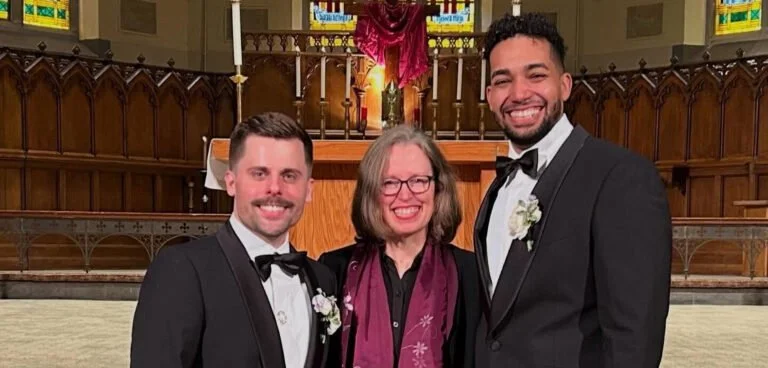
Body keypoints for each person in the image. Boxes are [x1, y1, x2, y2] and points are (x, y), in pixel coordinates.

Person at [474, 13, 672, 367]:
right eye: (503, 81)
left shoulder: (620, 177)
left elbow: (635, 339)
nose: (519, 94)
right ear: (489, 96)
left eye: (536, 75)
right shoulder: (496, 187)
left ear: (564, 85)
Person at [130, 112, 339, 368]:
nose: (274, 188)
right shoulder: (181, 270)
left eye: (289, 175)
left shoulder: (323, 279)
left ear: (308, 189)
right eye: (259, 174)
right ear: (231, 182)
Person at [319, 125, 480, 368]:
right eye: (390, 183)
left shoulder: (470, 272)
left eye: (418, 180)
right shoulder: (333, 270)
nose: (405, 195)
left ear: (438, 189)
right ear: (371, 193)